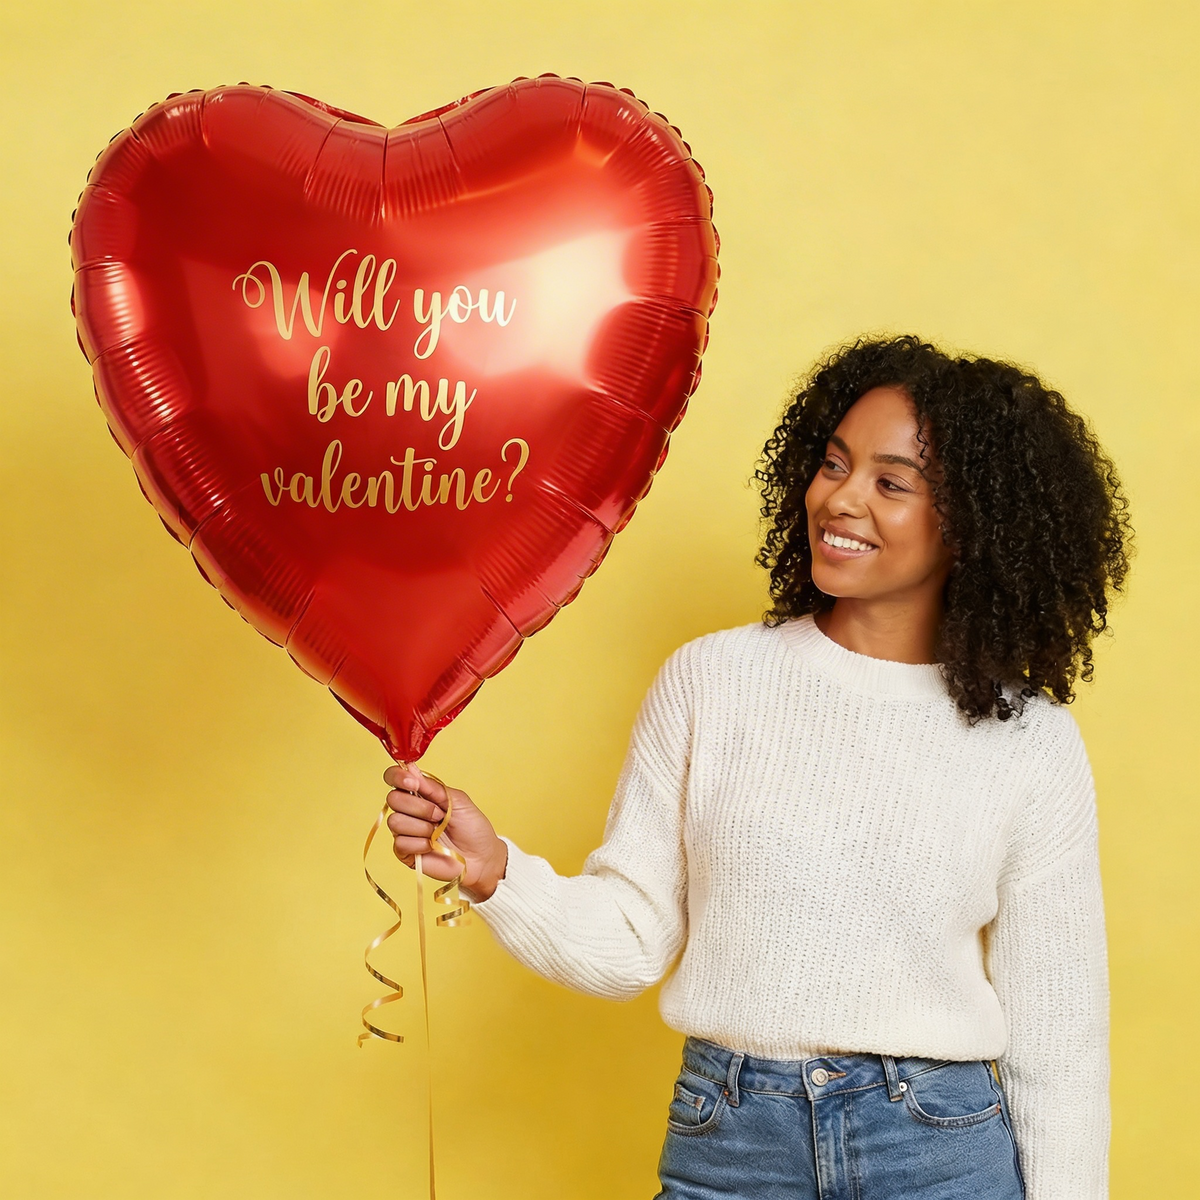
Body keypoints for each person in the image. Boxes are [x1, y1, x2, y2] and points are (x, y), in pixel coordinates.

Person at [382, 334, 1133, 1199]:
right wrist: (497, 874)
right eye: (834, 464)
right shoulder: (712, 681)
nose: (842, 500)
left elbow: (1058, 1041)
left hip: (935, 1154)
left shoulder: (1028, 742)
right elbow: (631, 939)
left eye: (891, 483)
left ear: (972, 526)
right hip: (729, 1144)